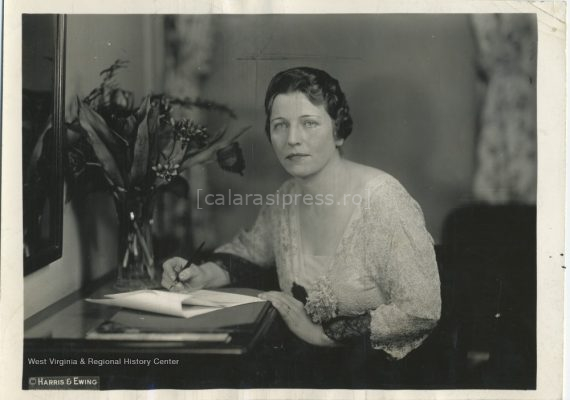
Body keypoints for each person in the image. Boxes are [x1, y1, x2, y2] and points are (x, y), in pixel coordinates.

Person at [161, 67, 441, 366]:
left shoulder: (384, 200)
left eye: (309, 123)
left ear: (338, 132)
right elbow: (250, 254)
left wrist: (323, 335)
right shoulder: (285, 198)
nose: (292, 139)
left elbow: (421, 309)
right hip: (307, 369)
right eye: (280, 125)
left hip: (380, 374)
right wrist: (202, 275)